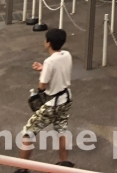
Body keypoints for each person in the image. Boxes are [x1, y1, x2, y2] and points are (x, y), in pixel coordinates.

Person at [14, 28, 73, 171]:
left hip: (52, 102)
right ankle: (64, 163)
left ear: (48, 43)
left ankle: (23, 167)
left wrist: (44, 70)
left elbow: (42, 85)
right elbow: (58, 70)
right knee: (62, 129)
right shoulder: (67, 55)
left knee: (29, 132)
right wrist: (44, 68)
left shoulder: (49, 62)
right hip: (66, 98)